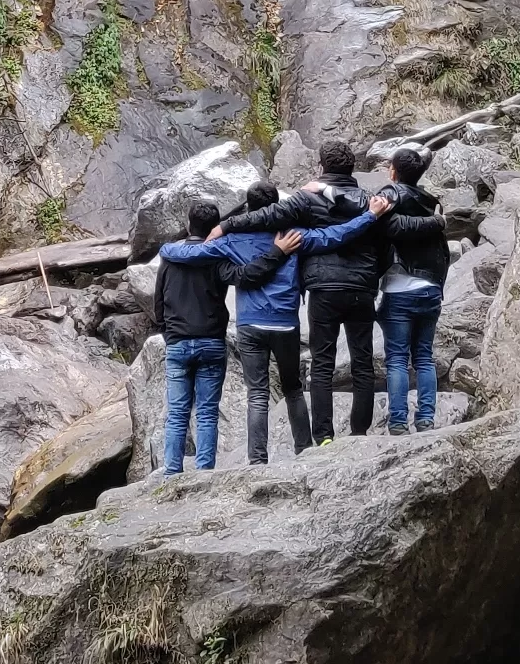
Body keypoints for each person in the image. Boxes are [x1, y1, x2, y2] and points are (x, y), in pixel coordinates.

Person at [213, 140, 440, 445]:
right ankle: (359, 433)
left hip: (323, 289)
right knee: (362, 362)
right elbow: (395, 234)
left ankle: (324, 436)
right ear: (352, 170)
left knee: (322, 363)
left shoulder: (306, 199)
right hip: (361, 287)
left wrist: (227, 226)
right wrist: (436, 222)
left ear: (321, 167)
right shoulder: (368, 200)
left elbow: (267, 216)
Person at [160, 183, 393, 465]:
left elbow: (192, 254)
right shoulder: (294, 235)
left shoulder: (233, 241)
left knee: (257, 393)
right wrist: (369, 215)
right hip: (285, 324)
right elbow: (336, 236)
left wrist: (166, 249)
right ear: (277, 207)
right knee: (293, 389)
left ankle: (258, 459)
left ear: (248, 209)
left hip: (250, 326)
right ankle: (304, 448)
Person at [369, 146, 449, 435]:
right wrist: (436, 221)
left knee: (398, 359)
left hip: (399, 289)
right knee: (424, 357)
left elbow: (392, 226)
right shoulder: (432, 201)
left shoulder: (391, 193)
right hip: (430, 289)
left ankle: (399, 421)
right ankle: (426, 418)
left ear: (393, 171)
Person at [152, 202, 231, 476]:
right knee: (207, 413)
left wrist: (167, 331)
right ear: (215, 228)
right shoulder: (218, 257)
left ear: (188, 225)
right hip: (211, 340)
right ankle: (204, 473)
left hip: (178, 341)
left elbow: (158, 300)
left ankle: (172, 471)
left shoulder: (170, 258)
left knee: (177, 414)